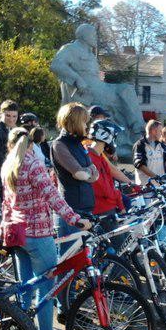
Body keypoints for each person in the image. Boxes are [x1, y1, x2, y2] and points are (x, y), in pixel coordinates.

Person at [1, 127, 90, 330]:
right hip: (38, 234)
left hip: (17, 234)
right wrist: (75, 219)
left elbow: (6, 204)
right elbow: (53, 196)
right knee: (46, 291)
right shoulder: (33, 164)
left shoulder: (8, 166)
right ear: (32, 145)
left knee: (25, 287)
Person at [50, 103, 99, 252]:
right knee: (68, 259)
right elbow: (79, 173)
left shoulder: (79, 144)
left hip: (86, 207)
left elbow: (94, 174)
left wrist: (87, 173)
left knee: (84, 257)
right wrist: (87, 172)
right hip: (70, 209)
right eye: (84, 121)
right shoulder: (59, 144)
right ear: (75, 121)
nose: (87, 125)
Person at [86, 120, 126, 216]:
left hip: (108, 207)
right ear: (107, 136)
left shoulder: (100, 157)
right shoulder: (91, 159)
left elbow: (110, 183)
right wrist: (118, 196)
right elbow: (104, 189)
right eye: (114, 137)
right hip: (102, 210)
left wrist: (121, 205)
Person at [133, 120, 166, 186]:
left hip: (159, 186)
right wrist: (155, 176)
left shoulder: (161, 145)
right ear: (153, 131)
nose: (162, 134)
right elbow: (140, 165)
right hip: (145, 187)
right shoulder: (140, 145)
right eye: (160, 131)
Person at [0, 100, 19, 190]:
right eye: (8, 115)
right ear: (1, 114)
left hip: (11, 174)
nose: (11, 119)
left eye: (14, 116)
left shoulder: (14, 129)